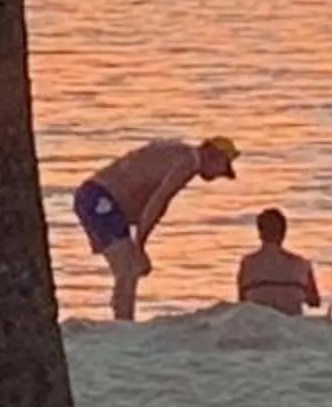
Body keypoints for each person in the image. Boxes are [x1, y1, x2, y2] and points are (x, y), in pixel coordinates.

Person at [75, 136, 238, 320]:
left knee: (127, 267)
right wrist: (140, 246)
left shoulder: (176, 150)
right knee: (128, 268)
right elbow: (158, 202)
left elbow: (140, 180)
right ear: (214, 155)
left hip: (96, 196)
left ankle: (122, 317)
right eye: (223, 168)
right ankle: (124, 321)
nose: (218, 176)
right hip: (101, 198)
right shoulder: (188, 163)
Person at [236, 207, 321, 316]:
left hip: (258, 321)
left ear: (260, 233)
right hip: (290, 322)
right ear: (284, 233)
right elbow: (314, 302)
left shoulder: (248, 264)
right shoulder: (301, 264)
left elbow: (242, 301)